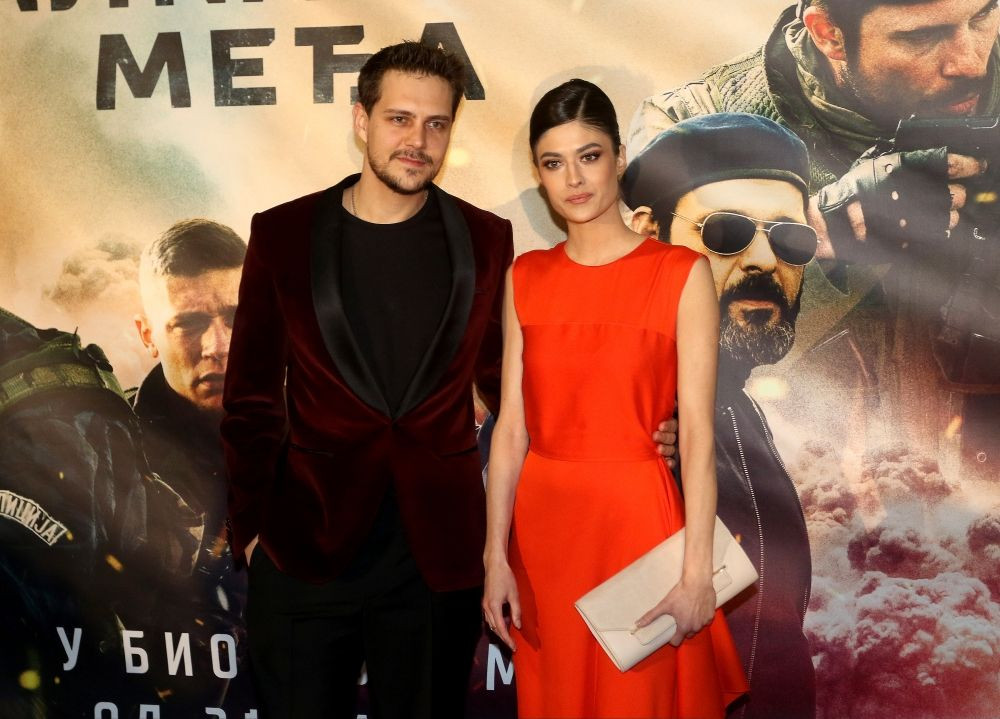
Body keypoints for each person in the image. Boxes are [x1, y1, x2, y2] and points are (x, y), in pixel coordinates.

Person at [220, 41, 513, 719]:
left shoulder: (486, 239)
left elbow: (511, 385)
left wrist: (637, 430)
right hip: (306, 545)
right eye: (399, 119)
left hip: (434, 557)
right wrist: (253, 528)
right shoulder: (283, 234)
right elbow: (251, 396)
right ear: (362, 120)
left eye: (436, 124)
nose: (418, 141)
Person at [627, 0, 1000, 479]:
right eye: (921, 36)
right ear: (827, 33)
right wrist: (817, 238)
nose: (970, 63)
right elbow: (652, 352)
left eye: (983, 15)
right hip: (794, 480)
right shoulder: (694, 127)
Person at [482, 79, 748, 719]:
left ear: (620, 157)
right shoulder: (525, 277)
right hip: (543, 537)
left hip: (638, 525)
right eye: (553, 162)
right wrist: (494, 557)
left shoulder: (680, 273)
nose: (574, 178)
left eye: (590, 156)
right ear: (539, 175)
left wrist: (697, 573)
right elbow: (511, 430)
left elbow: (699, 439)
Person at [623, 113, 817, 719]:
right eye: (726, 232)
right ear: (647, 234)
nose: (763, 259)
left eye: (790, 239)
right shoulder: (610, 395)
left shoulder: (731, 400)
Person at [132, 219, 255, 714]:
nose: (218, 346)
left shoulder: (329, 440)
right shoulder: (103, 456)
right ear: (147, 335)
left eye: (236, 317)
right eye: (189, 324)